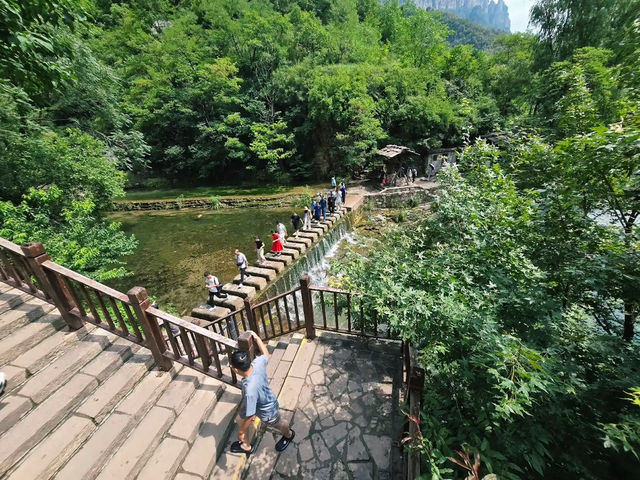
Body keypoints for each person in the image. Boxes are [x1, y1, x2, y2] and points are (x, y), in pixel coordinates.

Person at [229, 331, 295, 455]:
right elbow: (266, 354)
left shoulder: (250, 390)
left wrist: (241, 432)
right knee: (239, 419)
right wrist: (257, 338)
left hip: (266, 409)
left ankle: (289, 434)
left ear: (236, 370)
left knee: (279, 424)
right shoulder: (256, 364)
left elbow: (251, 416)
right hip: (259, 400)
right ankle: (246, 446)